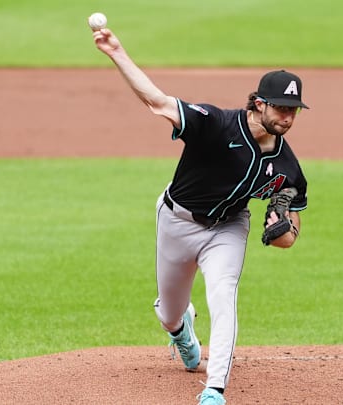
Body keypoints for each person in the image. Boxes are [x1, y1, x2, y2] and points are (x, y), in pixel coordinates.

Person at [92, 27, 309, 405]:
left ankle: (214, 389)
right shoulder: (215, 123)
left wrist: (282, 230)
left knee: (223, 295)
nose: (287, 117)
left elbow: (290, 231)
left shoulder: (287, 167)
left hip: (228, 228)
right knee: (169, 313)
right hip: (176, 220)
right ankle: (180, 329)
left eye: (293, 110)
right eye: (281, 108)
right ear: (258, 103)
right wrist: (117, 52)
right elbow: (157, 102)